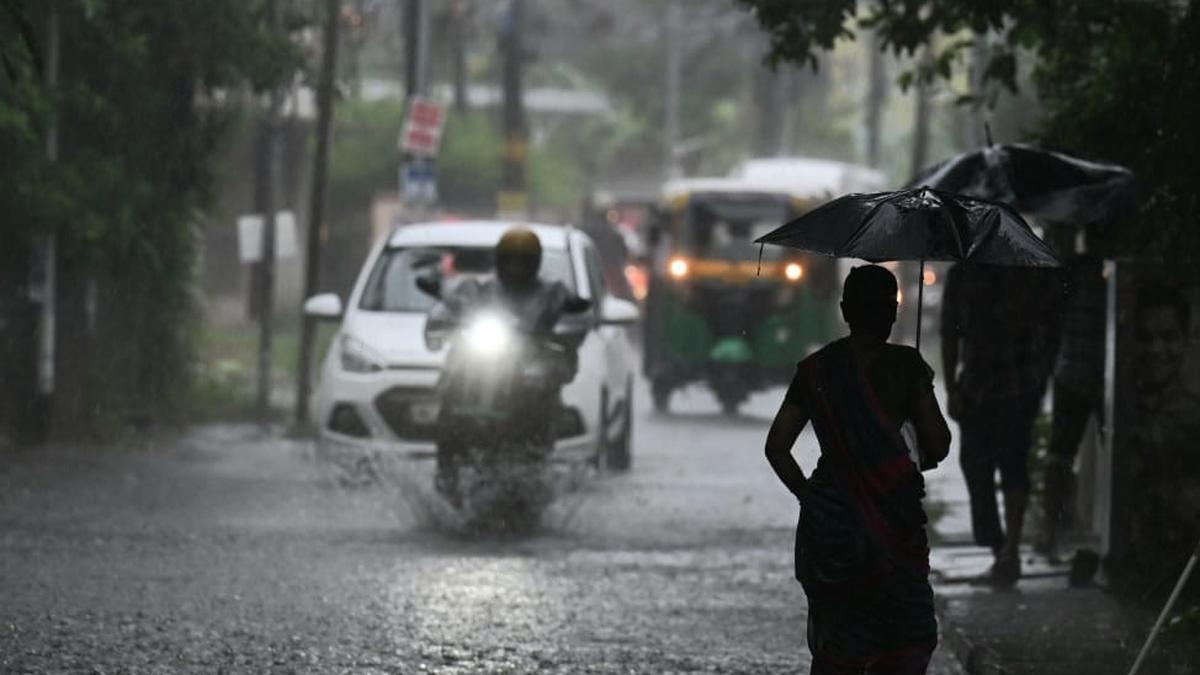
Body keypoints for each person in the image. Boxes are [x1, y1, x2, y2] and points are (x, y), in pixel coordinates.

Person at [765, 265, 951, 675]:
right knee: (908, 638)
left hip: (831, 527)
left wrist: (811, 496)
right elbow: (938, 444)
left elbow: (777, 446)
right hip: (894, 519)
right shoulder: (907, 366)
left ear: (845, 310)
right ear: (893, 312)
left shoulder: (816, 370)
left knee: (838, 643)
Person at [429, 227, 590, 506]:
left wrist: (571, 324)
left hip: (530, 366)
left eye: (523, 260)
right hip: (483, 360)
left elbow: (576, 315)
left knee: (541, 390)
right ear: (499, 260)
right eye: (511, 259)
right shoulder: (477, 287)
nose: (516, 266)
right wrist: (441, 322)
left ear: (535, 262)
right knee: (453, 374)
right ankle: (447, 467)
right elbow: (449, 305)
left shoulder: (552, 291)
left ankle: (534, 462)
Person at [941, 263, 1062, 585]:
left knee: (1007, 467)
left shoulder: (1026, 272)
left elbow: (1052, 325)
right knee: (984, 468)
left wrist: (1042, 376)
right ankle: (1001, 548)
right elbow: (949, 332)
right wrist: (952, 387)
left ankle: (1006, 551)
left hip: (1012, 386)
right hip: (989, 388)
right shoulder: (970, 273)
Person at [1038, 253, 1106, 558]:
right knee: (1065, 455)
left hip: (1071, 373)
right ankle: (1055, 529)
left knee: (1060, 454)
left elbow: (1051, 325)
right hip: (1098, 374)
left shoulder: (1069, 274)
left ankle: (1051, 530)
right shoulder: (1105, 277)